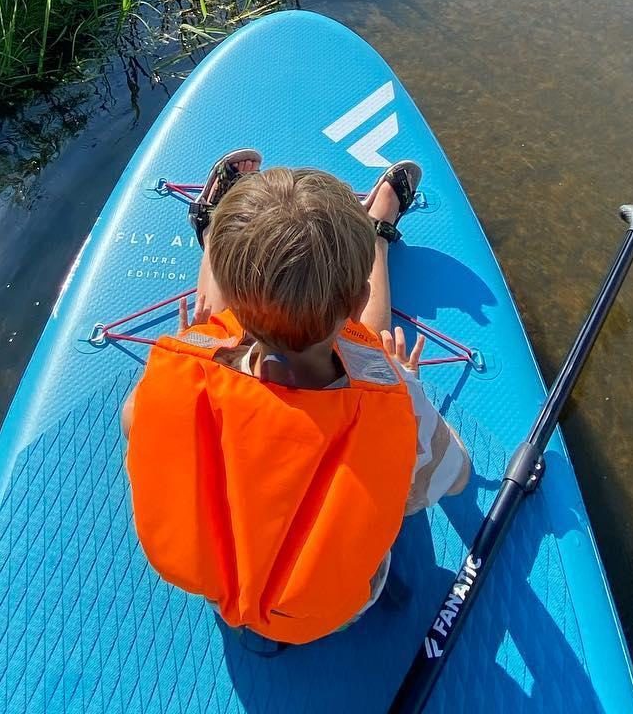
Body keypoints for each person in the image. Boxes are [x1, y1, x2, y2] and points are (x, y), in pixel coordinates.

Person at [122, 150, 470, 645]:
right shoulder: (395, 404)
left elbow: (136, 420)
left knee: (215, 324)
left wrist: (200, 351)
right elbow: (456, 479)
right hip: (328, 612)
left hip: (217, 585)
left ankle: (219, 230)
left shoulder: (178, 373)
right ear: (356, 299)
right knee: (369, 348)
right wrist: (405, 380)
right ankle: (376, 236)